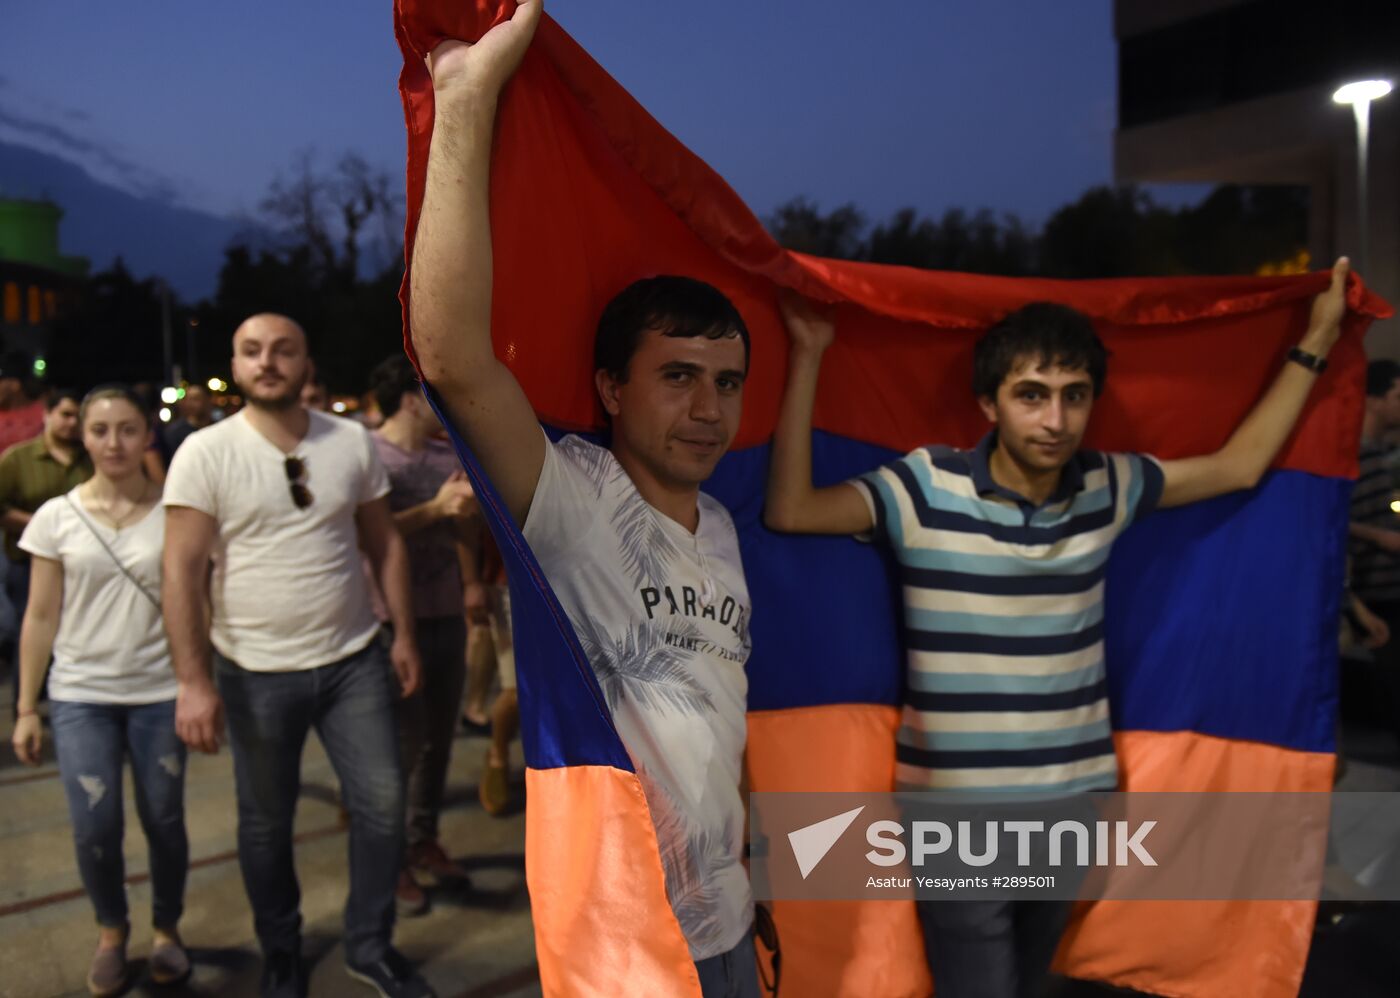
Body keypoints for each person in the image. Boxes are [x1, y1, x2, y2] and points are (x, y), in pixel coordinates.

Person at [765, 266, 1351, 998]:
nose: (1056, 420)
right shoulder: (923, 487)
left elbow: (1238, 467)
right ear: (989, 403)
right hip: (956, 814)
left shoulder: (1111, 487)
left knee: (1038, 987)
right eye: (1032, 395)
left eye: (1075, 396)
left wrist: (1318, 339)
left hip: (1076, 801)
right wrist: (811, 353)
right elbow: (791, 509)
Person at [412, 3, 759, 992]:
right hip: (625, 930)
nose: (707, 407)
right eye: (677, 375)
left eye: (726, 381)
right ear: (610, 389)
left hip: (728, 910)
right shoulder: (572, 495)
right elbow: (452, 356)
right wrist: (466, 105)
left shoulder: (726, 526)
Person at [162, 313, 431, 998]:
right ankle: (280, 948)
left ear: (307, 362)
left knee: (382, 803)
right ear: (236, 362)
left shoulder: (352, 442)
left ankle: (369, 945)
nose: (268, 361)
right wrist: (193, 682)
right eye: (252, 351)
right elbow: (181, 572)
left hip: (352, 660)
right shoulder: (205, 451)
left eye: (284, 349)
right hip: (252, 672)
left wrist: (400, 633)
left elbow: (385, 544)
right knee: (265, 822)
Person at [10, 386, 190, 997]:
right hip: (81, 695)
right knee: (94, 826)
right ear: (81, 436)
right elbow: (39, 617)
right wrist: (26, 708)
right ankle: (112, 931)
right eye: (101, 430)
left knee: (164, 821)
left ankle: (167, 929)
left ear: (148, 436)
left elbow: (198, 605)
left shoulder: (176, 513)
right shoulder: (57, 517)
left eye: (128, 429)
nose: (114, 443)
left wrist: (201, 686)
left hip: (160, 692)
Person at [367, 354, 479, 914]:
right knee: (398, 749)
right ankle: (388, 864)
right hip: (388, 621)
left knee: (438, 743)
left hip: (445, 612)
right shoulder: (370, 456)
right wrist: (434, 508)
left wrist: (472, 582)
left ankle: (423, 840)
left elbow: (460, 517)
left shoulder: (443, 453)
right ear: (411, 400)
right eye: (432, 395)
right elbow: (370, 538)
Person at [0, 389, 93, 703]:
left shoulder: (90, 458)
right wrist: (41, 527)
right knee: (29, 629)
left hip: (77, 562)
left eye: (77, 417)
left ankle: (61, 702)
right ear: (47, 415)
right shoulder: (19, 458)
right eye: (65, 415)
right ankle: (25, 702)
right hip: (26, 561)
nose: (71, 423)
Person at [164, 384, 216, 456]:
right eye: (188, 399)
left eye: (196, 399)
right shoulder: (175, 432)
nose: (190, 404)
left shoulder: (216, 428)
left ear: (207, 400)